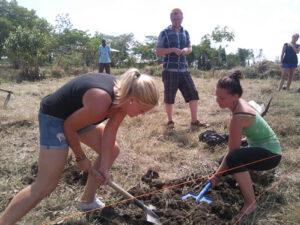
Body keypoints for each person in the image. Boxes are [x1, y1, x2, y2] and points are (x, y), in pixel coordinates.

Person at [0, 68, 159, 225]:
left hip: (80, 116)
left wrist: (104, 167)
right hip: (56, 118)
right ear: (132, 99)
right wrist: (80, 157)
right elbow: (69, 126)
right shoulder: (101, 100)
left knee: (112, 151)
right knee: (45, 185)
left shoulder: (124, 98)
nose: (142, 114)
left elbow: (110, 132)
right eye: (142, 110)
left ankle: (86, 202)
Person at [210, 70, 282, 219]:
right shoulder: (240, 103)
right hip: (263, 148)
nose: (218, 100)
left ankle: (250, 202)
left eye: (222, 98)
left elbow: (232, 153)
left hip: (271, 155)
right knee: (225, 161)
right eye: (217, 96)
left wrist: (216, 176)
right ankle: (249, 181)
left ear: (235, 97)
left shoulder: (238, 117)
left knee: (232, 159)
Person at [156, 8, 208, 130]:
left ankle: (194, 121)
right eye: (174, 19)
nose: (176, 20)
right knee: (169, 97)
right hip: (169, 70)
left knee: (193, 94)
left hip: (184, 69)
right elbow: (158, 50)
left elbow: (190, 47)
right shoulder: (164, 33)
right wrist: (172, 50)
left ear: (182, 18)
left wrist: (186, 50)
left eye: (178, 18)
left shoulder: (186, 32)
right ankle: (170, 121)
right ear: (171, 18)